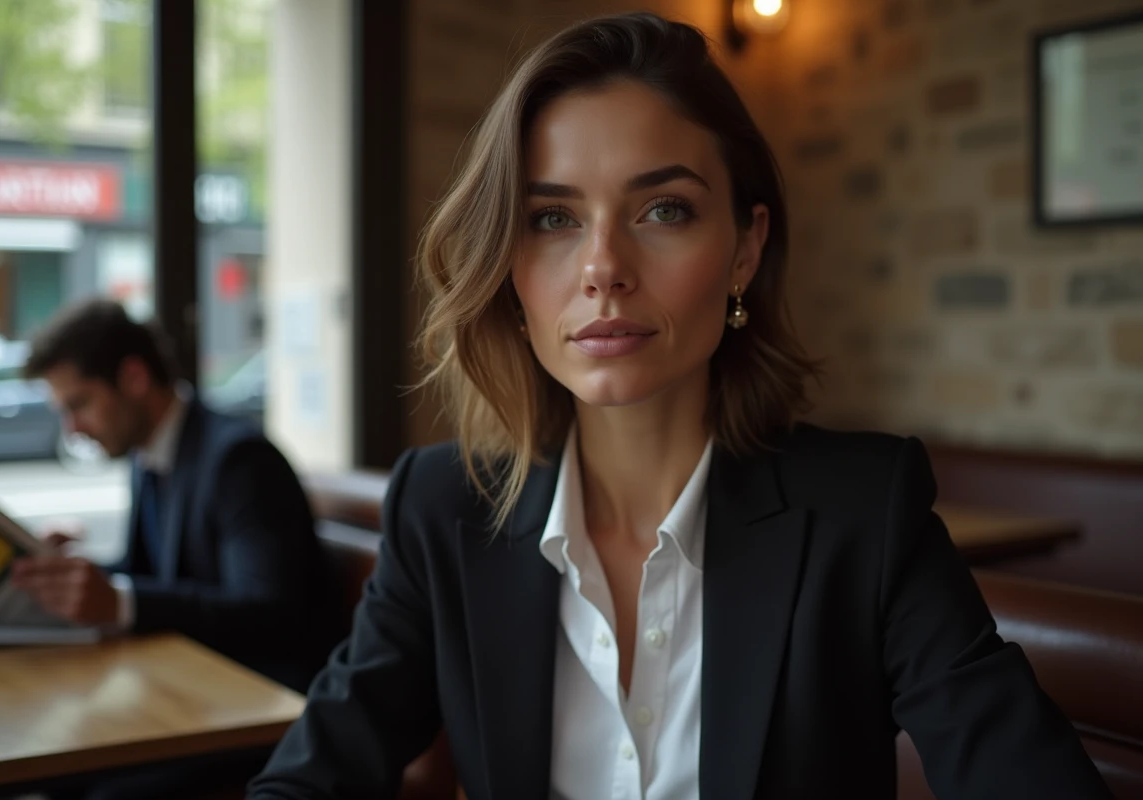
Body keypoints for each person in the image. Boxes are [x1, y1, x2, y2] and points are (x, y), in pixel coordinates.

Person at [249, 13, 1111, 800]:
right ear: (507, 272)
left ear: (744, 250)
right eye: (552, 219)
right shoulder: (442, 512)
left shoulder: (865, 516)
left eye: (663, 209)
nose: (603, 267)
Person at [13, 299, 343, 798]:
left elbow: (268, 610)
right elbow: (147, 572)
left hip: (260, 715)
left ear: (134, 378)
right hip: (193, 699)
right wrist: (69, 576)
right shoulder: (150, 455)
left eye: (78, 404)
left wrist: (120, 600)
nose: (73, 429)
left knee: (77, 782)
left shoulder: (238, 459)